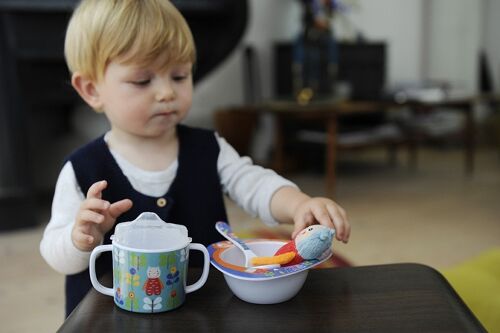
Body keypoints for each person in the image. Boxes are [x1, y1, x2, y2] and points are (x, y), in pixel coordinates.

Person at [40, 0, 351, 317]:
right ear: (91, 89)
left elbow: (254, 183)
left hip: (203, 312)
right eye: (143, 81)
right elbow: (54, 254)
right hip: (109, 319)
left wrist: (298, 204)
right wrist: (80, 240)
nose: (166, 93)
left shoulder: (208, 148)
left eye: (179, 76)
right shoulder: (81, 170)